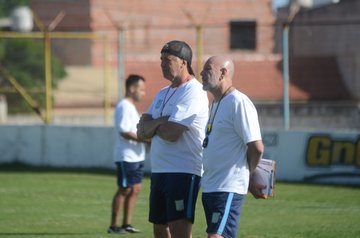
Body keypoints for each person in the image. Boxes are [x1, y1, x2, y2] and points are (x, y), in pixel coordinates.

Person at [137, 40, 209, 238]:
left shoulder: (194, 91)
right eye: (161, 59)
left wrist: (154, 125)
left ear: (183, 62)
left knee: (179, 231)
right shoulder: (162, 93)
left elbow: (172, 133)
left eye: (167, 59)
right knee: (160, 228)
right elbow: (141, 131)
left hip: (183, 171)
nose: (162, 63)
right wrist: (162, 121)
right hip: (160, 171)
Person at [200, 55, 265, 238]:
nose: (201, 73)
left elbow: (256, 147)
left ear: (223, 73)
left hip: (227, 186)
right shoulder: (216, 103)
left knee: (216, 236)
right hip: (211, 186)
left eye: (207, 69)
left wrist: (248, 173)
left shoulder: (239, 102)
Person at [108, 74, 147, 234]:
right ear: (132, 88)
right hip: (126, 156)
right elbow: (124, 131)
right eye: (141, 89)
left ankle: (127, 224)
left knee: (135, 189)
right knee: (125, 188)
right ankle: (113, 226)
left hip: (137, 155)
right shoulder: (123, 105)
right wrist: (146, 139)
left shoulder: (131, 107)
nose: (143, 93)